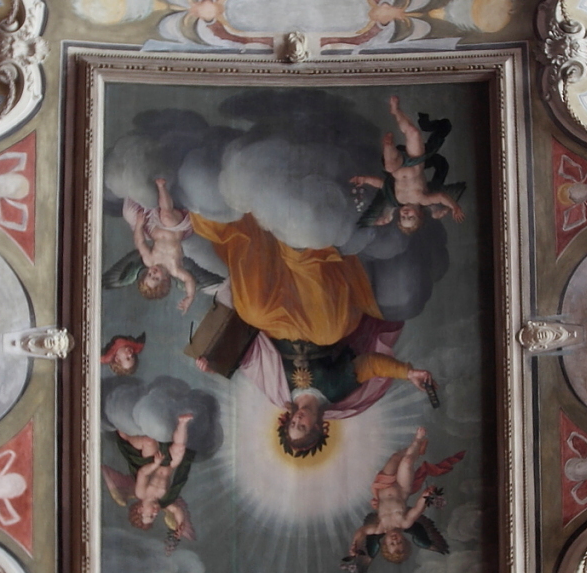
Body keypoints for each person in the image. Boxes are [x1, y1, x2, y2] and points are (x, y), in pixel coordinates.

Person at [147, 178, 437, 457]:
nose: (298, 420)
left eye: (292, 425)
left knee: (252, 310)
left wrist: (214, 364)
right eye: (303, 426)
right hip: (322, 323)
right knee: (330, 329)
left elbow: (252, 359)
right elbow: (370, 365)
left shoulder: (279, 392)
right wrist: (407, 372)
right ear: (318, 427)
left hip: (279, 328)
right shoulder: (336, 391)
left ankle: (251, 227)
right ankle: (302, 243)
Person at [342, 427, 459, 573]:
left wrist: (356, 544)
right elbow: (418, 509)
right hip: (402, 487)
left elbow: (362, 531)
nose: (395, 540)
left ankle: (417, 449)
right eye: (400, 542)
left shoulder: (379, 528)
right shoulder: (404, 523)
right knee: (407, 461)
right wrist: (427, 496)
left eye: (392, 543)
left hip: (382, 485)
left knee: (396, 457)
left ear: (385, 543)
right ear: (404, 539)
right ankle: (417, 440)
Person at [349, 96, 465, 233]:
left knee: (389, 166)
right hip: (416, 161)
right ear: (419, 214)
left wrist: (364, 179)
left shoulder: (396, 200)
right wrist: (454, 206)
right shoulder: (424, 200)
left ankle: (388, 145)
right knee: (413, 132)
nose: (405, 214)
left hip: (396, 165)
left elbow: (382, 184)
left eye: (403, 217)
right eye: (410, 217)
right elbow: (441, 197)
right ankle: (396, 111)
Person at [102, 414, 197, 547]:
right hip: (169, 464)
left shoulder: (141, 493)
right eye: (154, 517)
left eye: (150, 516)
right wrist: (180, 525)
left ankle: (122, 431)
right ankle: (182, 422)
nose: (155, 513)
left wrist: (155, 464)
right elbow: (176, 510)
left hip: (150, 461)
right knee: (179, 449)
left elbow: (142, 473)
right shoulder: (163, 502)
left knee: (148, 442)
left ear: (140, 510)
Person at [121, 179, 200, 311]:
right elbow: (189, 280)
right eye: (156, 278)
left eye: (149, 275)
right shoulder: (175, 269)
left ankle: (135, 182)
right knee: (166, 217)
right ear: (165, 280)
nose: (153, 273)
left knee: (129, 213)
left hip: (154, 226)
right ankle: (161, 185)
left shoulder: (150, 261)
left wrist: (139, 226)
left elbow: (140, 242)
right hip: (175, 228)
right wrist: (190, 296)